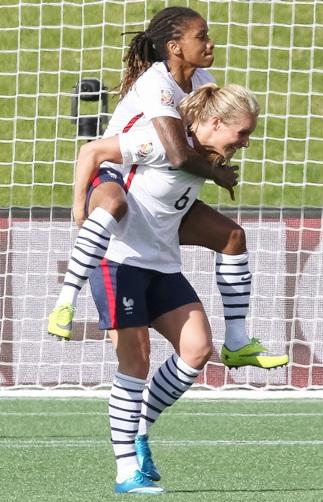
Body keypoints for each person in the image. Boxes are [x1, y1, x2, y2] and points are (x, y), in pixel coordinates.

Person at [47, 6, 288, 370]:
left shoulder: (203, 77)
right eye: (201, 36)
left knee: (232, 237)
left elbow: (200, 137)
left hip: (155, 185)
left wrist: (220, 149)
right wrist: (79, 204)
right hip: (116, 171)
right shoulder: (157, 83)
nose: (210, 42)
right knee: (112, 206)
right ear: (175, 47)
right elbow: (176, 152)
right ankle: (65, 300)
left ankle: (237, 341)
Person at [79, 83, 259, 493]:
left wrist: (214, 169)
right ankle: (126, 471)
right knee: (135, 362)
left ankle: (140, 429)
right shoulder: (160, 141)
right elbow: (93, 151)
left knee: (197, 349)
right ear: (215, 123)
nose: (246, 143)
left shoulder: (201, 152)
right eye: (242, 133)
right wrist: (81, 211)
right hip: (119, 260)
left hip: (161, 264)